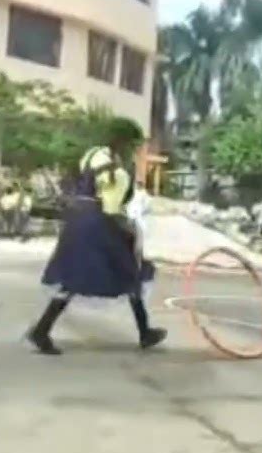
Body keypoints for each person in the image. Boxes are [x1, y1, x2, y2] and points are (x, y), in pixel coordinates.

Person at [27, 138, 167, 356]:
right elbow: (111, 211)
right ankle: (145, 332)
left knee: (72, 279)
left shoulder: (92, 157)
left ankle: (42, 329)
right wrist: (129, 228)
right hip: (98, 225)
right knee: (131, 273)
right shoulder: (118, 174)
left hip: (76, 221)